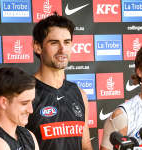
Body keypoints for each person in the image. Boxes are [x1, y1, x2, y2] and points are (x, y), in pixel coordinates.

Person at [25, 12, 93, 150]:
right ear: (37, 47)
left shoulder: (79, 94)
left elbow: (85, 145)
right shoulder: (25, 93)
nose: (62, 49)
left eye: (67, 42)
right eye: (54, 43)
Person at [0, 67, 39, 150]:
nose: (31, 110)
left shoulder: (29, 135)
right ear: (4, 102)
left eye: (32, 102)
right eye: (24, 103)